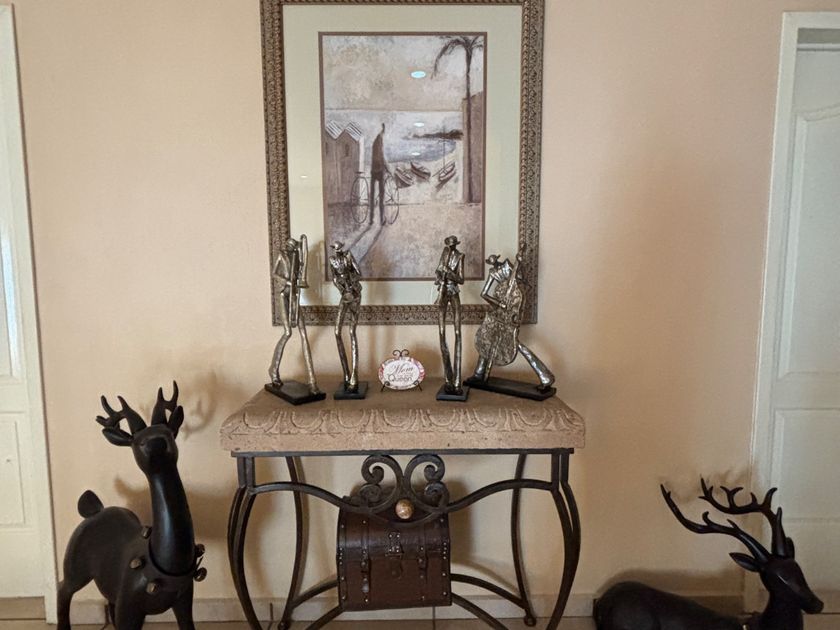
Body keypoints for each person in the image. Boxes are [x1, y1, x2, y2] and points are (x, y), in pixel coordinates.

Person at [268, 235, 320, 395]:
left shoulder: (297, 256)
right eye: (291, 245)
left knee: (304, 335)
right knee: (288, 332)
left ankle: (312, 381)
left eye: (294, 246)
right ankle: (273, 369)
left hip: (295, 296)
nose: (292, 248)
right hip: (284, 294)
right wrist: (288, 282)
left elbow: (300, 271)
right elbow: (275, 274)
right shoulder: (281, 255)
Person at [329, 241, 363, 393]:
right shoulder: (332, 260)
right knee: (337, 332)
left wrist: (350, 282)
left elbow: (358, 273)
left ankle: (354, 376)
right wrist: (341, 286)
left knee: (351, 332)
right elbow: (334, 278)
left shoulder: (348, 256)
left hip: (354, 293)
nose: (337, 251)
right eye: (336, 249)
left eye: (339, 249)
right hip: (344, 294)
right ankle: (346, 374)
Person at [435, 235, 466, 395]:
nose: (450, 247)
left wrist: (449, 273)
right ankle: (448, 378)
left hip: (454, 292)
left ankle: (457, 381)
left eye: (452, 245)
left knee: (457, 333)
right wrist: (439, 275)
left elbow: (461, 279)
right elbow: (438, 270)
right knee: (441, 333)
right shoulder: (444, 253)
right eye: (448, 245)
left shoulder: (460, 256)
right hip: (443, 292)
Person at [369, 123, 389, 226]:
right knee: (381, 196)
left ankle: (371, 220)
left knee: (372, 196)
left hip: (373, 171)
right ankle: (381, 219)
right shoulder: (380, 140)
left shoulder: (374, 142)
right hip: (379, 171)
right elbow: (381, 156)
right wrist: (387, 167)